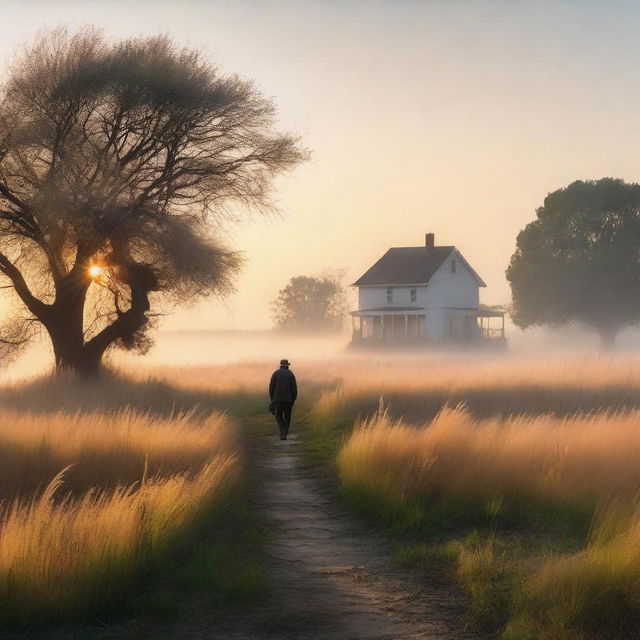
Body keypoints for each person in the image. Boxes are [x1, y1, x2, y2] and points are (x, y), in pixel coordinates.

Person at [269, 358, 297, 440]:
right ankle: (285, 431)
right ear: (287, 365)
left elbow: (271, 388)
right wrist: (293, 399)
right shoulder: (290, 374)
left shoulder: (275, 374)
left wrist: (272, 399)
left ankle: (282, 430)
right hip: (288, 400)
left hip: (277, 399)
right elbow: (294, 389)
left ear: (281, 365)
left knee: (278, 415)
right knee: (287, 416)